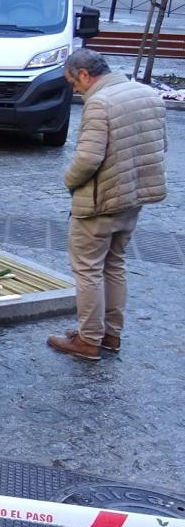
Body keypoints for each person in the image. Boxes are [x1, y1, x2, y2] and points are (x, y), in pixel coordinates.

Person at [47, 49, 167, 360]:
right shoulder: (147, 94)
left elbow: (87, 159)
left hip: (99, 202)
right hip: (133, 198)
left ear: (85, 74)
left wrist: (69, 182)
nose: (73, 89)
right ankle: (110, 335)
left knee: (87, 270)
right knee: (114, 264)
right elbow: (160, 146)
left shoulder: (100, 103)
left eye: (72, 82)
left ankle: (88, 340)